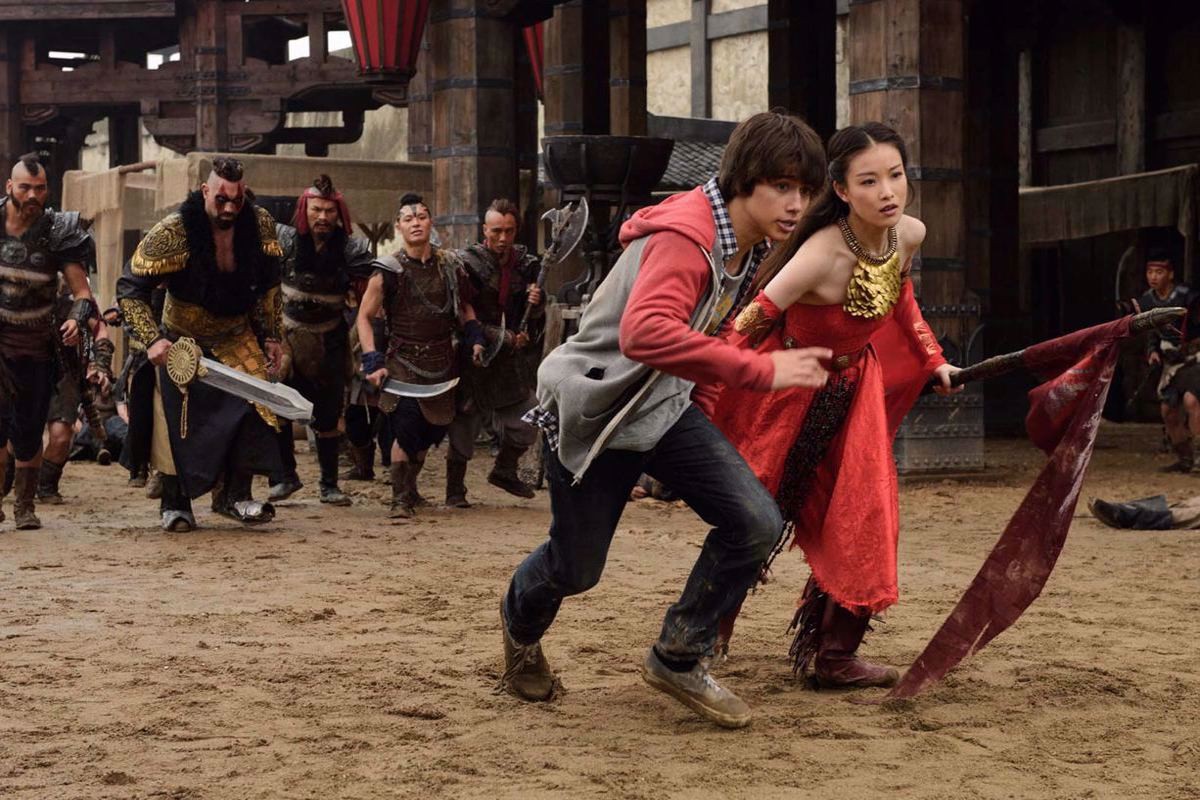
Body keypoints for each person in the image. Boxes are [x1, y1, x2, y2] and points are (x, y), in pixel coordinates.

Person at [499, 111, 831, 729]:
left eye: (806, 191)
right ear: (744, 178)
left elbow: (704, 341)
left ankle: (679, 655)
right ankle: (519, 629)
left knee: (756, 521)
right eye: (782, 186)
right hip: (596, 408)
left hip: (662, 408)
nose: (796, 204)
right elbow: (646, 333)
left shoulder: (746, 247)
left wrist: (697, 428)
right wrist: (759, 371)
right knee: (576, 568)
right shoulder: (688, 236)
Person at [709, 122, 958, 689]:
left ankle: (834, 656)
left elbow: (902, 298)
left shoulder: (909, 234)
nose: (887, 192)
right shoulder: (818, 255)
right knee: (755, 512)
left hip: (854, 391)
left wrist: (933, 359)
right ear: (841, 191)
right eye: (869, 181)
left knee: (865, 516)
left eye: (895, 175)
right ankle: (705, 629)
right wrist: (700, 382)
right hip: (788, 395)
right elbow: (752, 321)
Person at [117, 156, 285, 531]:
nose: (229, 208)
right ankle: (175, 504)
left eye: (236, 200)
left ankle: (234, 496)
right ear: (205, 191)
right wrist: (152, 340)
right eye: (221, 199)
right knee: (176, 422)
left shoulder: (259, 224)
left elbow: (270, 286)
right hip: (181, 340)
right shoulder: (173, 230)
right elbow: (129, 289)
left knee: (252, 408)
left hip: (235, 334)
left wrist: (272, 336)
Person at [356, 193, 484, 518]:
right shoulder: (387, 270)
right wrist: (372, 359)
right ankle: (399, 499)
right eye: (408, 218)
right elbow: (364, 317)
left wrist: (474, 336)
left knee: (431, 430)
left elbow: (465, 307)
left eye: (422, 217)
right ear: (399, 226)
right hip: (403, 363)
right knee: (406, 428)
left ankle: (411, 489)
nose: (416, 223)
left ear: (431, 222)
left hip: (442, 362)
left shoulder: (451, 266)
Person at [0, 153, 98, 529]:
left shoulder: (58, 231)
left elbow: (82, 293)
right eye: (25, 187)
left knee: (28, 429)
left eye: (39, 188)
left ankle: (25, 506)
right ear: (10, 186)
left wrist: (76, 319)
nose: (32, 195)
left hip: (37, 346)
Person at [267, 174, 373, 506]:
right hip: (288, 341)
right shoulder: (284, 241)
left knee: (327, 416)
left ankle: (329, 485)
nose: (323, 217)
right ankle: (286, 476)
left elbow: (371, 292)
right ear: (306, 210)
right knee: (279, 410)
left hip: (330, 342)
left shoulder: (352, 249)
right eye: (316, 210)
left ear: (337, 213)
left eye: (329, 211)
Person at [447, 198, 544, 506]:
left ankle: (504, 470)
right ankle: (454, 490)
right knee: (464, 424)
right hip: (473, 354)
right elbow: (461, 311)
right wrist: (499, 337)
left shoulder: (526, 265)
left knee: (531, 416)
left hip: (509, 359)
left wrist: (536, 304)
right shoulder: (467, 264)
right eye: (497, 231)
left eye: (509, 231)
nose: (503, 238)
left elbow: (533, 318)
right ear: (484, 230)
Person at [38, 284, 115, 502]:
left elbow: (100, 330)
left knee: (61, 436)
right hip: (23, 367)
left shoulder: (78, 294)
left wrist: (101, 366)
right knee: (18, 437)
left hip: (66, 371)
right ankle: (16, 481)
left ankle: (46, 485)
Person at [1138, 254, 1200, 472]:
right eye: (1150, 272)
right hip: (1171, 362)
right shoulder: (1148, 301)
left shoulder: (1187, 296)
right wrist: (1153, 351)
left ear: (1170, 274)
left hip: (1195, 358)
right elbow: (1151, 332)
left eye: (1159, 272)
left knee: (1192, 401)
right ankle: (1185, 458)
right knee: (1168, 410)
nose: (1153, 277)